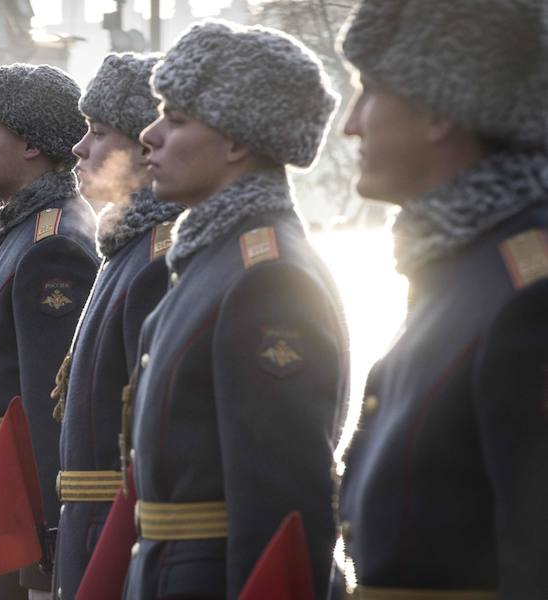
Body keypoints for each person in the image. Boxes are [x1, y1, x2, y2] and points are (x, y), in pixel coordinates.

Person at [122, 20, 346, 599]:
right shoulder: (219, 257)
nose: (149, 135)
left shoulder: (265, 276)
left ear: (237, 141)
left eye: (175, 118)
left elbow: (283, 514)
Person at [335, 2, 548, 598]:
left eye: (369, 92)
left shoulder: (528, 292)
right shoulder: (461, 267)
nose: (352, 124)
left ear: (436, 110)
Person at [0, 62, 98, 600]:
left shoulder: (52, 242)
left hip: (17, 507)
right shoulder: (21, 227)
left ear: (33, 144)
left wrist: (46, 538)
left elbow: (49, 405)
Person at [50, 52, 185, 600]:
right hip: (91, 522)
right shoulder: (126, 245)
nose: (80, 148)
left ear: (142, 144)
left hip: (116, 530)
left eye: (98, 132)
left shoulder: (157, 257)